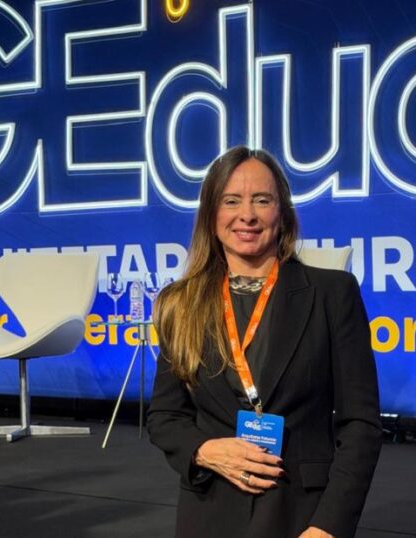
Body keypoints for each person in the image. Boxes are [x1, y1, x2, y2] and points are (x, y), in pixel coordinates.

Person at [147, 146, 382, 538]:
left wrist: (329, 525)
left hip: (301, 514)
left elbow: (361, 424)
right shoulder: (179, 303)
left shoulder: (333, 293)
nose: (247, 215)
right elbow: (165, 416)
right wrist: (205, 451)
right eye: (231, 201)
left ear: (283, 212)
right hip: (210, 512)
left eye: (262, 200)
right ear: (211, 215)